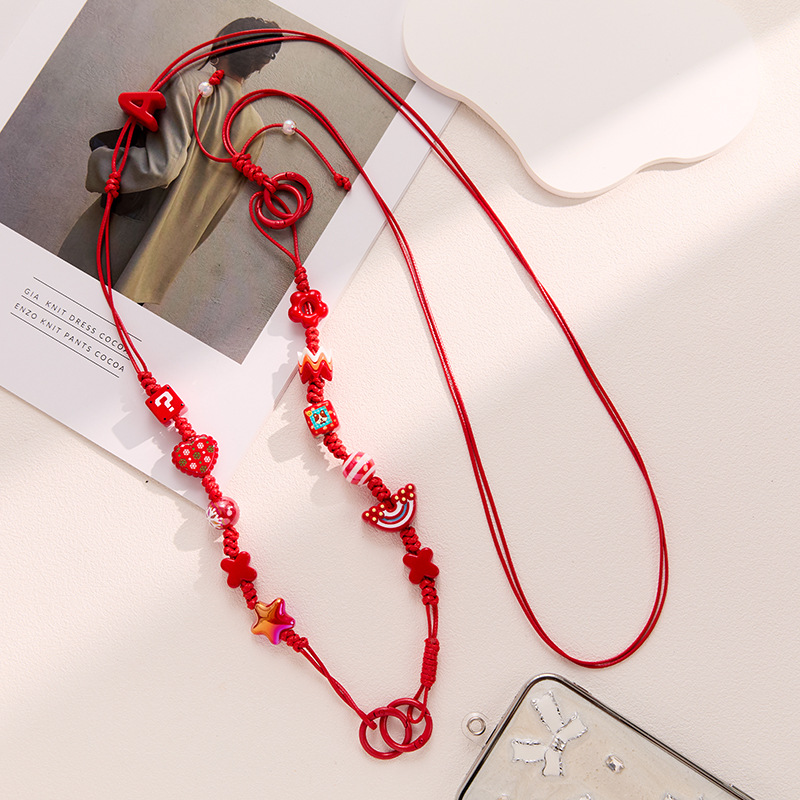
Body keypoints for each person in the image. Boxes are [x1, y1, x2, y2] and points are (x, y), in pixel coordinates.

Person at [58, 18, 282, 305]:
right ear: (258, 65)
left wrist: (102, 161)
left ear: (223, 43)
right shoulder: (255, 127)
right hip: (156, 264)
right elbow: (216, 209)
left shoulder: (192, 85)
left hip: (119, 238)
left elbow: (161, 167)